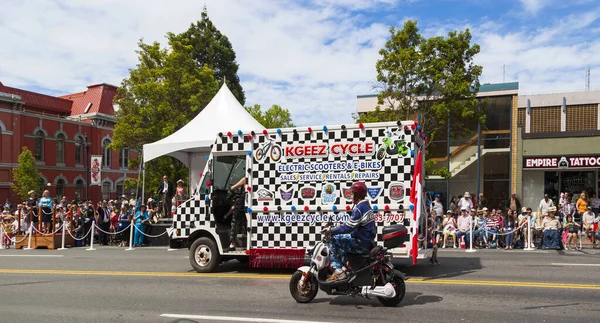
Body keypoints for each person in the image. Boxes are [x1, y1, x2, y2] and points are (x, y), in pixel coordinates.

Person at [323, 182, 376, 281]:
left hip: (361, 243)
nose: (350, 196)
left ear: (357, 195)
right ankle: (345, 269)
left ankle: (338, 271)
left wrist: (331, 230)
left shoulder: (359, 208)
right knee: (342, 239)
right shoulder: (366, 206)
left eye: (352, 194)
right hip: (365, 240)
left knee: (333, 240)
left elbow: (348, 227)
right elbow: (351, 225)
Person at [225, 177, 247, 252]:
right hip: (246, 206)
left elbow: (233, 187)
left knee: (234, 225)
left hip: (241, 206)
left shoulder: (245, 179)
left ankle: (232, 245)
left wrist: (231, 189)